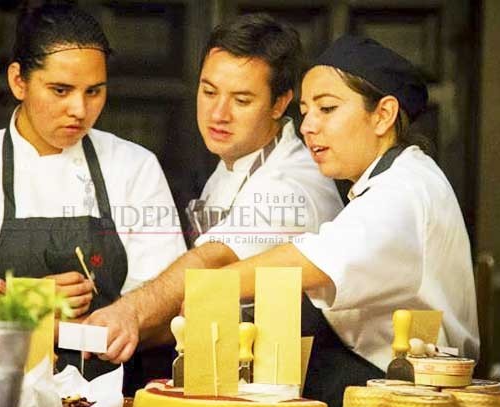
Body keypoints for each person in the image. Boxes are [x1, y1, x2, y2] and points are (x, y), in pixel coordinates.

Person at [0, 3, 186, 389]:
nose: (79, 110)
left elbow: (170, 313)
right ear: (18, 81)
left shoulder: (134, 167)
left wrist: (98, 325)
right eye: (60, 90)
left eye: (94, 91)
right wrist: (10, 306)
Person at [194, 35, 479, 407]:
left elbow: (306, 263)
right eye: (306, 110)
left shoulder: (404, 189)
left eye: (327, 109)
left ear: (383, 115)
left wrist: (207, 289)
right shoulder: (385, 180)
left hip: (412, 397)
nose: (308, 126)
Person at [82, 14, 343, 377]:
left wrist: (129, 312)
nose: (218, 114)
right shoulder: (235, 161)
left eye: (241, 99)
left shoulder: (291, 184)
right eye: (208, 91)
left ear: (280, 103)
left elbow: (212, 262)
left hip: (296, 383)